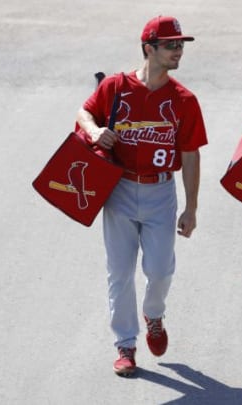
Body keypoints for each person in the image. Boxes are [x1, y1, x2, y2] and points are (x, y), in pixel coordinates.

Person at [75, 15, 207, 377]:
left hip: (161, 191)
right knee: (119, 272)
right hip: (118, 189)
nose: (178, 50)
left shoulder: (184, 100)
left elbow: (192, 155)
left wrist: (191, 207)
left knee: (160, 270)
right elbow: (85, 112)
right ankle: (125, 345)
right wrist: (95, 131)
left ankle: (154, 313)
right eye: (171, 45)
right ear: (149, 48)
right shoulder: (116, 87)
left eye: (181, 44)